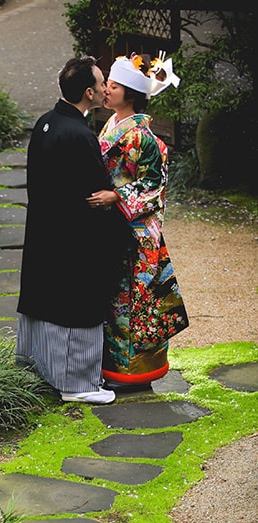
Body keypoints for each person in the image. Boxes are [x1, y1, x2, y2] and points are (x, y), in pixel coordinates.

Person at [16, 55, 131, 405]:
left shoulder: (46, 123)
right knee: (74, 309)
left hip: (44, 232)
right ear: (87, 92)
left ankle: (42, 369)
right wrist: (120, 227)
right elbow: (94, 195)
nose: (103, 89)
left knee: (44, 305)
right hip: (73, 241)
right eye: (100, 84)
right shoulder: (80, 135)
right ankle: (77, 384)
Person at [87, 52, 189, 388]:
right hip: (114, 224)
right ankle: (114, 367)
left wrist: (115, 195)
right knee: (116, 300)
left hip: (134, 231)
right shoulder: (113, 123)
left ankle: (133, 373)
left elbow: (153, 186)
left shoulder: (143, 137)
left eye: (113, 86)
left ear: (129, 94)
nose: (106, 90)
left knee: (132, 303)